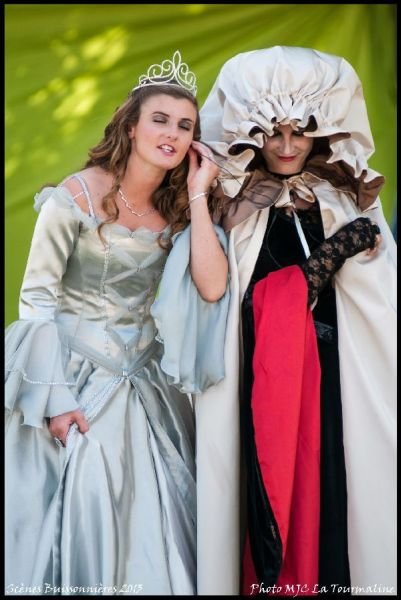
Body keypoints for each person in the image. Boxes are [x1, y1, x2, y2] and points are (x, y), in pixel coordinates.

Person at [5, 50, 229, 596]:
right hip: (72, 375)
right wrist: (56, 399)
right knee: (85, 490)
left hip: (149, 383)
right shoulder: (76, 195)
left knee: (160, 516)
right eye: (160, 119)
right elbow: (36, 300)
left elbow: (213, 286)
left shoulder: (180, 211)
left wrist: (199, 195)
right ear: (130, 126)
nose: (172, 133)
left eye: (185, 126)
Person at [197, 46, 396, 595]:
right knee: (273, 485)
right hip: (265, 381)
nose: (286, 147)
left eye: (301, 133)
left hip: (336, 379)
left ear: (323, 130)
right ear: (250, 132)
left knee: (334, 485)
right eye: (273, 134)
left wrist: (346, 252)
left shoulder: (343, 199)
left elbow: (379, 301)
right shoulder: (234, 208)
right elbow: (227, 303)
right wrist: (324, 262)